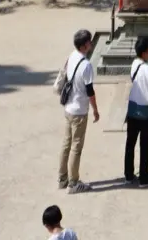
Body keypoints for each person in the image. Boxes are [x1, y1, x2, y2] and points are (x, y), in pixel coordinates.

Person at [58, 29, 99, 194]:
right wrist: (95, 110)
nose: (91, 43)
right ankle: (73, 183)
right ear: (84, 46)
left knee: (66, 144)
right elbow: (90, 91)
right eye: (89, 41)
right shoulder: (86, 65)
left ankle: (62, 178)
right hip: (79, 110)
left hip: (68, 107)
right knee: (76, 146)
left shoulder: (72, 56)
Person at [124, 35, 148, 186]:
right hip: (146, 112)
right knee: (145, 144)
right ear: (146, 52)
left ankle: (128, 175)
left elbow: (141, 75)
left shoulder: (135, 64)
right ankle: (144, 177)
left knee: (130, 143)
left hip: (133, 109)